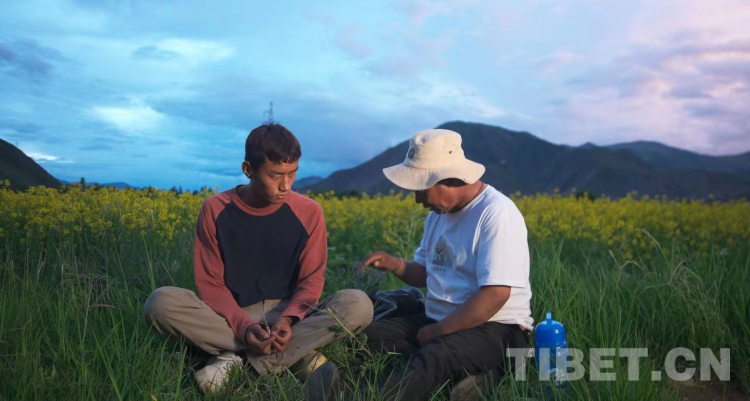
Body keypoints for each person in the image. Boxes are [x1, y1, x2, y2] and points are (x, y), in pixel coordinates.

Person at [143, 123, 373, 393]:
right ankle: (293, 357)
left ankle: (239, 361)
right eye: (275, 175)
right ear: (248, 170)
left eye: (292, 174)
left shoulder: (309, 212)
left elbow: (310, 281)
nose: (285, 185)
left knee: (359, 304)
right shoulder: (214, 209)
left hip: (291, 318)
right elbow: (211, 284)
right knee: (160, 302)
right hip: (230, 318)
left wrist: (288, 320)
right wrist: (244, 326)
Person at [309, 128, 533, 401]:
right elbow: (427, 273)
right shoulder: (437, 216)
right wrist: (396, 265)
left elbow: (495, 295)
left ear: (447, 179)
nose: (417, 199)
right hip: (440, 319)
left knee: (435, 354)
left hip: (497, 327)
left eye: (421, 189)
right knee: (368, 336)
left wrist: (439, 331)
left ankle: (356, 397)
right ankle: (469, 377)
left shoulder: (496, 214)